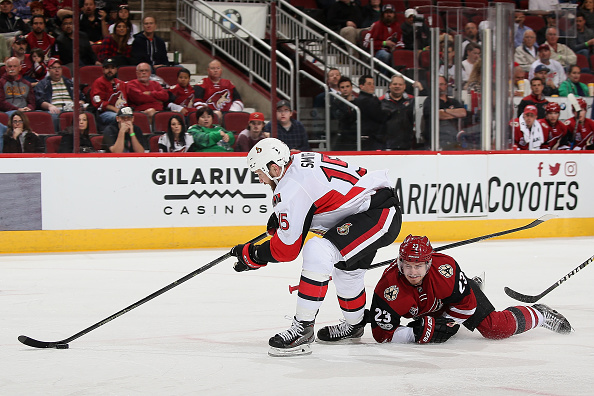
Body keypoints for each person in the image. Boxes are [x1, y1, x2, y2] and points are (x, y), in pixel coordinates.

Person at [230, 138, 401, 356]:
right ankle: (354, 325)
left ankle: (303, 328)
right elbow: (319, 196)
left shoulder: (291, 188)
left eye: (259, 173)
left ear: (274, 168)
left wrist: (252, 254)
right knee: (347, 272)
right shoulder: (298, 160)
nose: (261, 180)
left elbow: (287, 250)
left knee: (317, 250)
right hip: (366, 209)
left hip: (378, 215)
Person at [369, 234, 572, 345]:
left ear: (429, 264)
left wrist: (449, 325)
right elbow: (381, 334)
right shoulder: (388, 289)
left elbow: (466, 306)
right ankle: (468, 284)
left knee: (495, 328)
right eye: (408, 266)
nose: (413, 272)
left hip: (455, 300)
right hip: (431, 305)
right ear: (399, 263)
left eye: (419, 266)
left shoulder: (445, 270)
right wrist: (414, 334)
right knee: (429, 321)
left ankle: (541, 313)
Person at [422, 75, 467, 150]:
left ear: (446, 85)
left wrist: (445, 110)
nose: (439, 87)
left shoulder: (453, 101)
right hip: (435, 143)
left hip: (453, 141)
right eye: (437, 84)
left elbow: (463, 113)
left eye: (442, 84)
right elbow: (438, 115)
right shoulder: (429, 101)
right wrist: (455, 114)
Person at [34, 57, 78, 130]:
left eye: (59, 68)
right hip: (55, 110)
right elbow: (39, 100)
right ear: (49, 70)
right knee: (53, 116)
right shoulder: (42, 84)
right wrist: (49, 106)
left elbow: (80, 97)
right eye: (54, 68)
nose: (57, 70)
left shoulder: (70, 82)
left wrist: (79, 103)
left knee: (84, 115)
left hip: (71, 109)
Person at [90, 57, 128, 127]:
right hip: (104, 113)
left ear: (116, 70)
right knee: (119, 118)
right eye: (107, 68)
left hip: (121, 111)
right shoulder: (98, 82)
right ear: (103, 69)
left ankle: (131, 135)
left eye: (112, 68)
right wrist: (116, 110)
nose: (110, 70)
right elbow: (98, 103)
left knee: (133, 117)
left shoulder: (120, 83)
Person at [379, 75, 415, 150]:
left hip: (407, 145)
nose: (397, 86)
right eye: (395, 84)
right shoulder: (380, 101)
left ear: (404, 86)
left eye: (400, 84)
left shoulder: (412, 100)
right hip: (387, 145)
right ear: (390, 85)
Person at [353, 74, 388, 150]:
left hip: (374, 136)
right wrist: (389, 112)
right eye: (369, 84)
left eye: (373, 84)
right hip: (372, 137)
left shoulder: (371, 99)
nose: (372, 86)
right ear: (361, 86)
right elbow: (379, 116)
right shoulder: (365, 100)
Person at [363, 4, 403, 69]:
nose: (388, 15)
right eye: (386, 12)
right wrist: (384, 43)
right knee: (385, 55)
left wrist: (395, 48)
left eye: (391, 12)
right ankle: (384, 78)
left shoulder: (397, 26)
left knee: (400, 55)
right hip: (377, 53)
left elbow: (401, 42)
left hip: (391, 52)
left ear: (394, 14)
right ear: (382, 14)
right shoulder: (376, 25)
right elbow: (366, 43)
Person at [330, 75, 358, 150]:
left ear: (351, 87)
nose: (345, 89)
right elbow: (341, 118)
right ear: (339, 89)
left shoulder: (358, 102)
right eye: (342, 87)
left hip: (356, 136)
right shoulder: (336, 103)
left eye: (347, 86)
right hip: (342, 138)